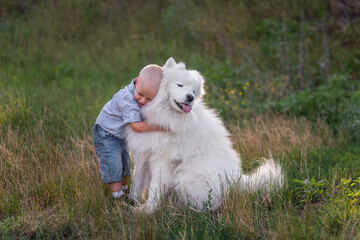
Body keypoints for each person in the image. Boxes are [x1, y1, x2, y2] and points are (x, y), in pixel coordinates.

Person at [93, 64, 164, 199]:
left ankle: (124, 191)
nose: (142, 100)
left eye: (149, 99)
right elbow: (136, 126)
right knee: (113, 165)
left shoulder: (141, 93)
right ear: (136, 83)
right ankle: (117, 198)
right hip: (106, 134)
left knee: (125, 164)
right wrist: (157, 126)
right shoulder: (127, 99)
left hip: (120, 136)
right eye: (140, 94)